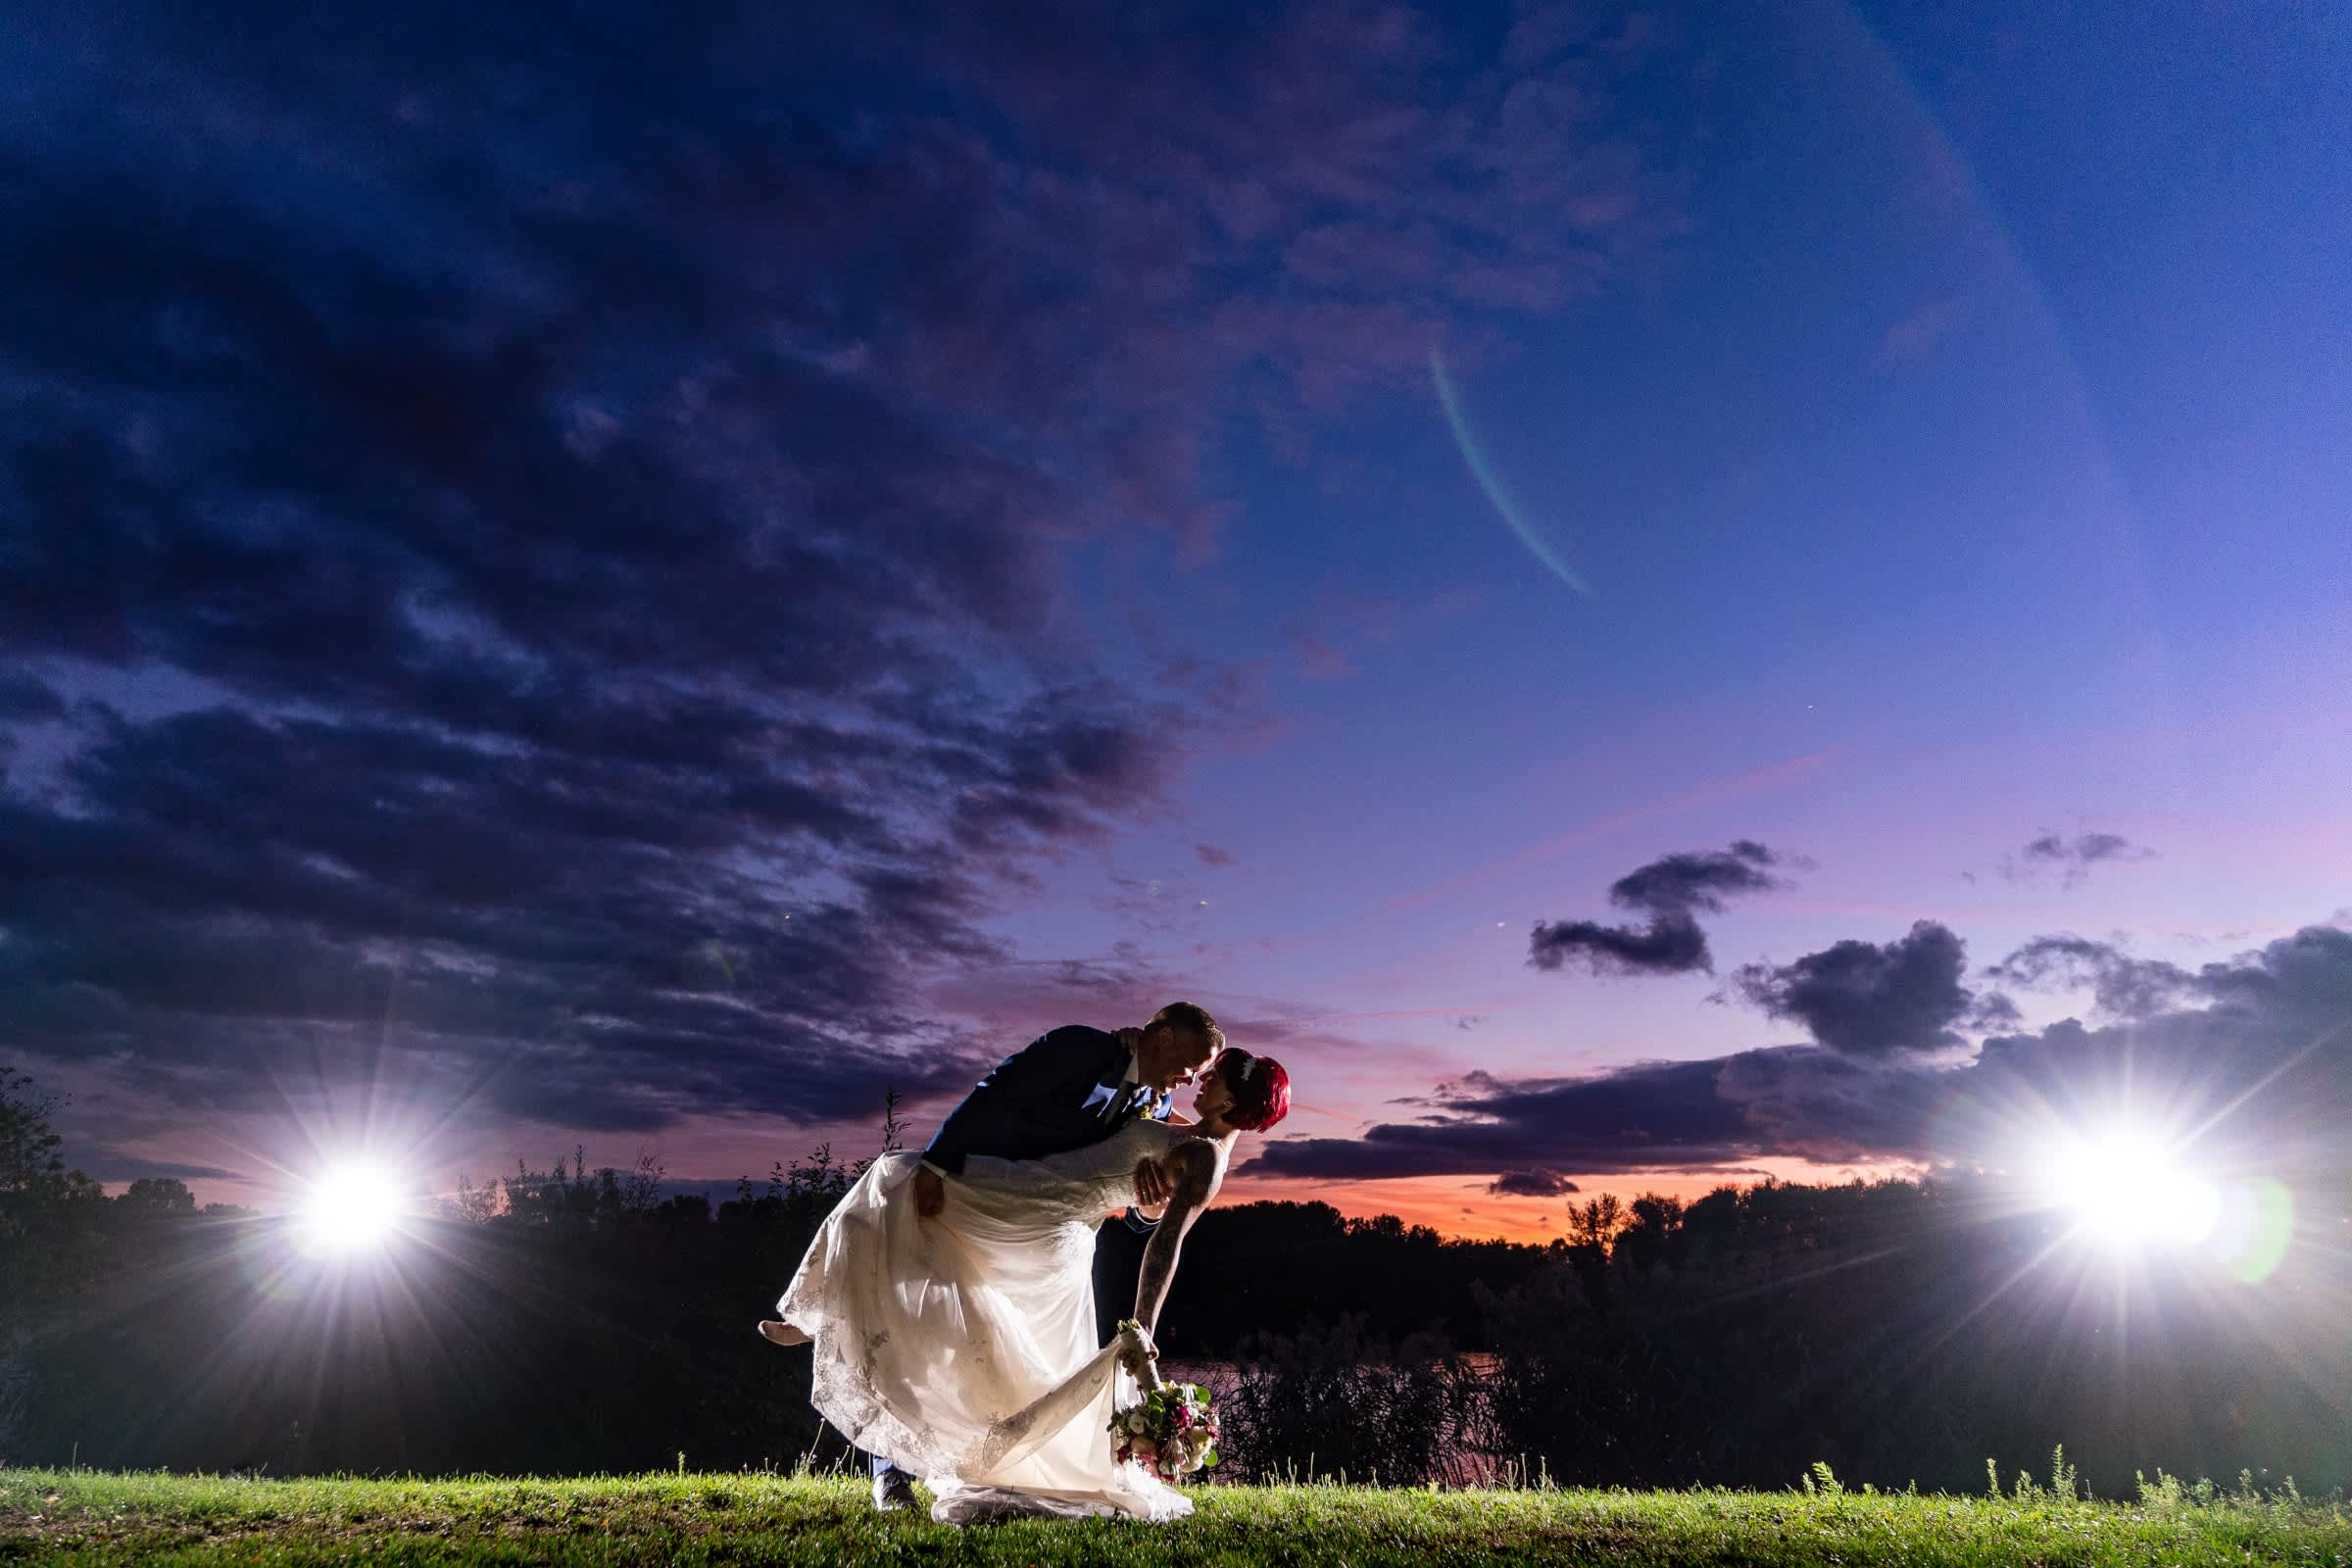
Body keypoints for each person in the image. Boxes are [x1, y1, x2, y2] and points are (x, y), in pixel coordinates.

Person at [759, 1043, 1291, 1523]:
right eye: (1202, 1067)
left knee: (897, 1191)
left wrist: (1142, 1328)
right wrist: (1145, 1197)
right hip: (1044, 1197)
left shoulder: (1204, 1158)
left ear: (1229, 1103)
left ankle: (825, 1318)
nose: (1201, 1079)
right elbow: (1134, 1144)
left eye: (1214, 1075)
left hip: (1046, 1209)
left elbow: (1164, 1240)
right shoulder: (1173, 1120)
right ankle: (824, 1314)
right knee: (902, 1207)